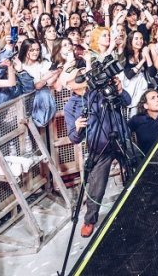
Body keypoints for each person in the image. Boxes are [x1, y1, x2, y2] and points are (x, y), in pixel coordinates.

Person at [64, 68, 133, 238]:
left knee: (139, 168)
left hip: (122, 138)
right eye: (78, 77)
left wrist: (119, 89)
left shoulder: (101, 92)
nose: (83, 79)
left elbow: (127, 101)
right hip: (99, 147)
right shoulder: (71, 106)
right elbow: (73, 137)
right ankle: (89, 220)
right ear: (70, 85)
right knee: (96, 186)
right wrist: (78, 128)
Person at [128, 89, 158, 155]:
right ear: (145, 105)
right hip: (147, 161)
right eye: (153, 98)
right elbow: (124, 135)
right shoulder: (137, 119)